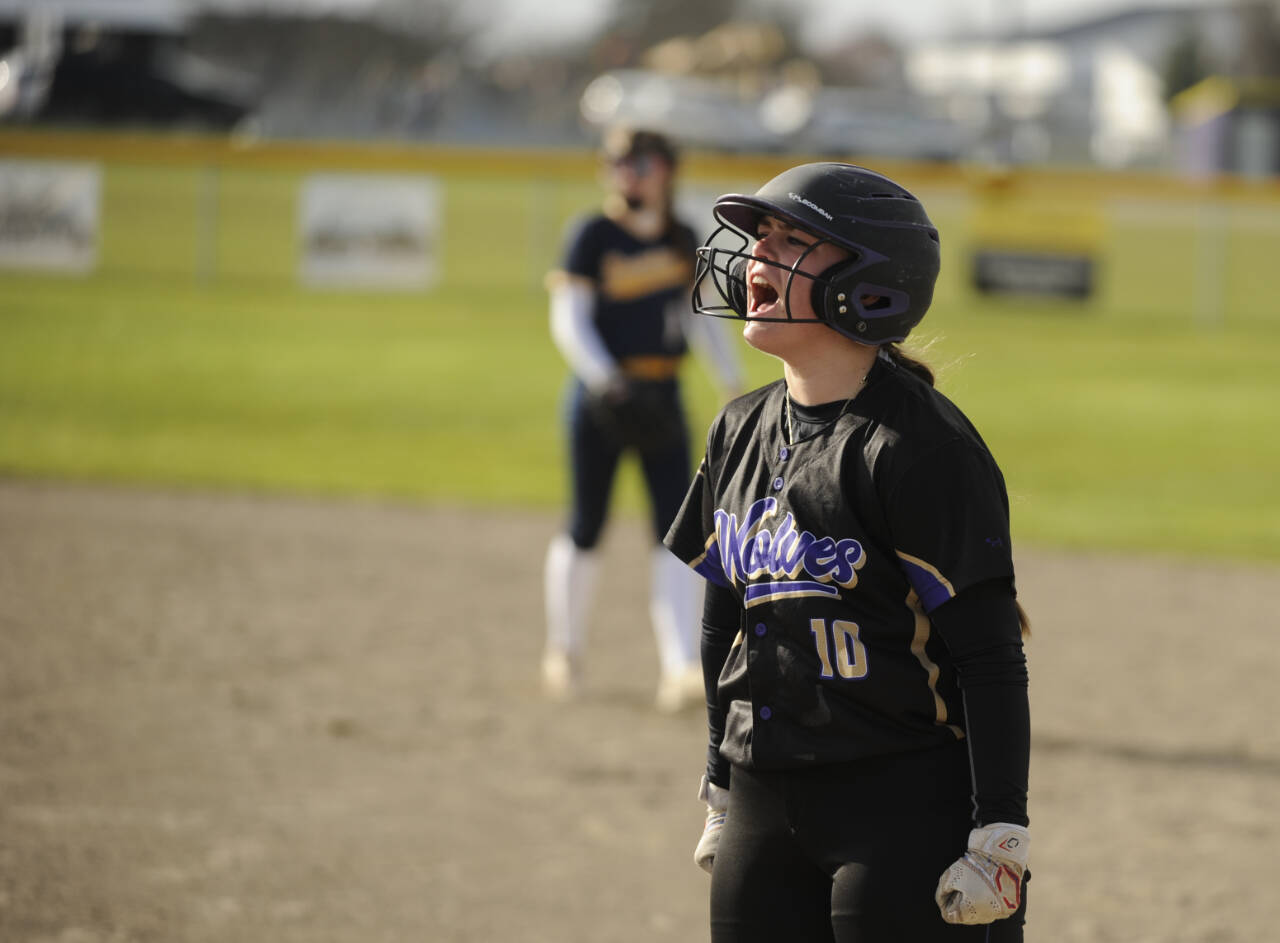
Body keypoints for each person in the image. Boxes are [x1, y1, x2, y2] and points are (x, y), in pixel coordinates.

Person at [663, 162, 1032, 941]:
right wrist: (721, 777)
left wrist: (1000, 832)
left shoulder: (917, 446)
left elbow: (990, 655)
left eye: (791, 240)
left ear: (870, 285)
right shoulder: (738, 429)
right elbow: (723, 619)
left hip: (901, 809)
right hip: (764, 800)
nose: (758, 258)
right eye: (758, 239)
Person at [542, 126, 743, 712]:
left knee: (675, 535)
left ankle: (678, 665)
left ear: (665, 170)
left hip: (663, 392)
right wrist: (609, 381)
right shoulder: (593, 233)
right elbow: (569, 319)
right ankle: (565, 649)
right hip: (601, 399)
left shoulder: (683, 237)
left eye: (638, 161)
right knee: (586, 524)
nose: (625, 171)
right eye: (616, 161)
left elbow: (701, 319)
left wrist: (728, 381)